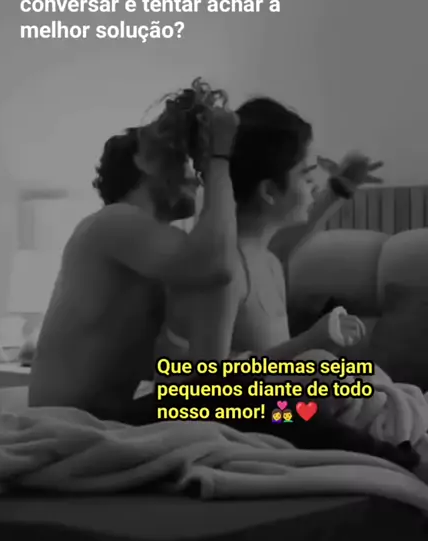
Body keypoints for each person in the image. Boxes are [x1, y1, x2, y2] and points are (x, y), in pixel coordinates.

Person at [159, 96, 419, 471]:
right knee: (315, 377)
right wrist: (309, 342)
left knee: (338, 375)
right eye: (305, 175)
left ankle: (390, 425)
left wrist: (340, 187)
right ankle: (395, 452)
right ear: (269, 191)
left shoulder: (264, 257)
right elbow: (206, 387)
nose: (313, 186)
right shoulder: (224, 271)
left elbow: (295, 234)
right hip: (235, 411)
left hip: (279, 402)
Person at [28, 82, 240, 422]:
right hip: (68, 421)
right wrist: (218, 159)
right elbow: (216, 266)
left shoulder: (157, 250)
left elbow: (194, 368)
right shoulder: (113, 222)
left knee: (256, 404)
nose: (196, 178)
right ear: (144, 163)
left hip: (101, 418)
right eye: (184, 162)